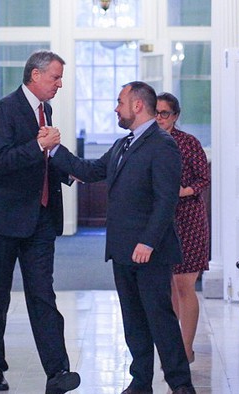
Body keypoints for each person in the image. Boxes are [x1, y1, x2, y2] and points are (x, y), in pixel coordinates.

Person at [51, 82, 196, 394]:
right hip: (121, 249)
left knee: (160, 319)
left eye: (120, 102)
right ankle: (140, 382)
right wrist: (54, 150)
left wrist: (149, 242)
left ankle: (181, 384)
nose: (116, 108)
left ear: (138, 106)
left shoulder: (162, 144)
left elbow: (166, 199)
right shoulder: (122, 145)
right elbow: (89, 171)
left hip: (149, 250)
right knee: (133, 320)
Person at [0, 50, 80, 393]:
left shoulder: (46, 109)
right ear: (35, 75)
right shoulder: (7, 108)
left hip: (40, 220)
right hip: (1, 220)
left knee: (43, 295)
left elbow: (45, 161)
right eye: (55, 77)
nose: (60, 84)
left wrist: (74, 170)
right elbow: (0, 162)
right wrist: (38, 144)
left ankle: (58, 372)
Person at [156, 92, 210, 363]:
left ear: (175, 116)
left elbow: (204, 178)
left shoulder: (189, 143)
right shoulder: (148, 142)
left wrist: (183, 191)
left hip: (188, 218)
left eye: (165, 113)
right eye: (155, 112)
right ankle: (175, 347)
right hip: (161, 220)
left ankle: (186, 348)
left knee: (184, 284)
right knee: (169, 285)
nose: (160, 118)